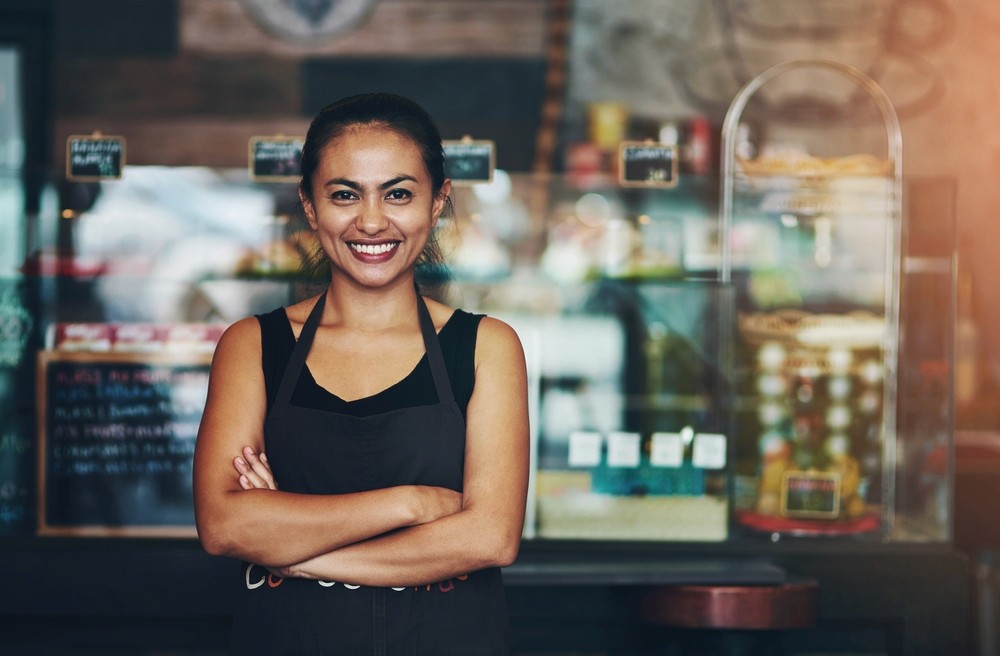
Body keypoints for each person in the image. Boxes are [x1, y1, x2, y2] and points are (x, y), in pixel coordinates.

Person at [193, 92, 530, 655]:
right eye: (345, 194)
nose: (372, 222)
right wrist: (413, 505)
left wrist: (295, 553)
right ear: (309, 206)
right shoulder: (252, 345)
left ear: (438, 201)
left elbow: (490, 538)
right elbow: (225, 527)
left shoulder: (485, 347)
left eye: (398, 193)